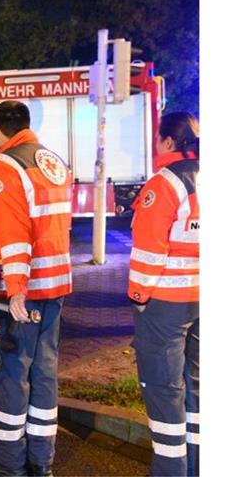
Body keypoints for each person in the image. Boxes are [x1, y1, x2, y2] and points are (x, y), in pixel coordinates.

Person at [0, 100, 73, 477]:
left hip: (26, 288)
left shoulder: (4, 164)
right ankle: (40, 461)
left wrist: (15, 288)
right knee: (45, 371)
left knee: (13, 373)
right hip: (56, 283)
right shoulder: (52, 160)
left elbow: (15, 234)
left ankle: (7, 464)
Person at [129, 112, 199, 477]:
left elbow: (148, 251)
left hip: (167, 305)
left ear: (169, 142)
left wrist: (139, 297)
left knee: (164, 390)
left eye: (158, 139)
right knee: (199, 389)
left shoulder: (165, 183)